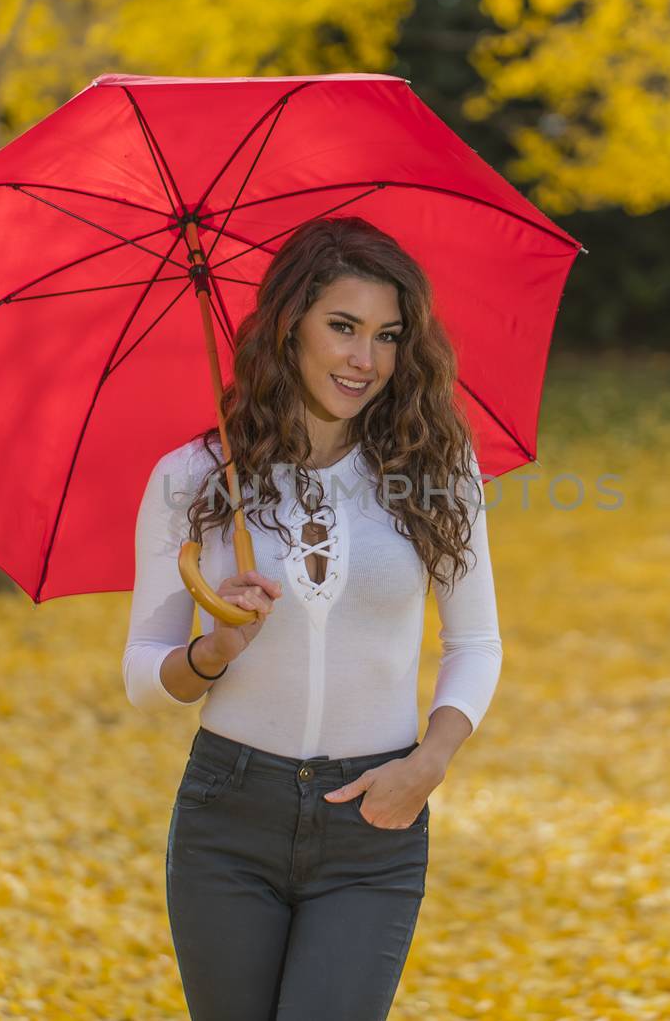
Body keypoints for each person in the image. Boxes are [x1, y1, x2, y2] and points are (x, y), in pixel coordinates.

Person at [122, 215, 503, 1021]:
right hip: (229, 815)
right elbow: (143, 677)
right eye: (343, 327)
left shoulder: (435, 467)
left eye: (389, 335)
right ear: (290, 324)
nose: (366, 359)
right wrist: (216, 649)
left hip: (374, 817)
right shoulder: (193, 478)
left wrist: (430, 761)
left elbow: (476, 640)